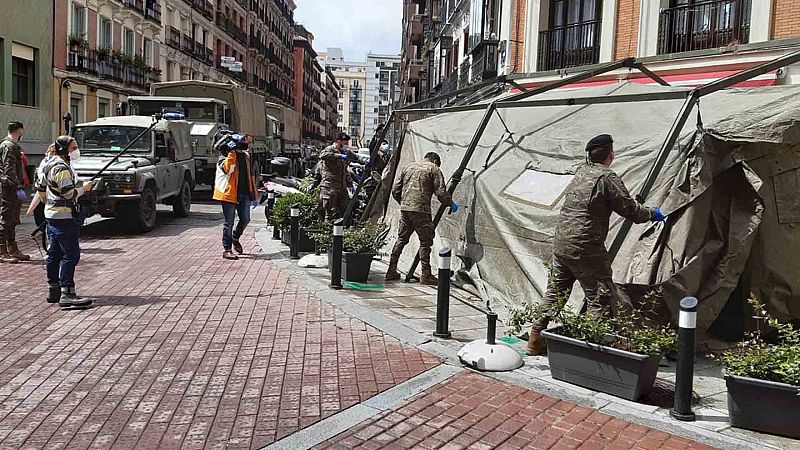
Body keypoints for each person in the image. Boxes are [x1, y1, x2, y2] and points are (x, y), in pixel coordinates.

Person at [526, 134, 666, 356]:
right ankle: (587, 347)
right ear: (611, 155)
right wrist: (651, 213)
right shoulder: (607, 177)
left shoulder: (581, 172)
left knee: (556, 291)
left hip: (562, 242)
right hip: (586, 246)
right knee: (599, 295)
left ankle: (535, 339)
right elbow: (630, 210)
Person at [37, 136, 94, 307]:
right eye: (73, 148)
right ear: (64, 150)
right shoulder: (61, 168)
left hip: (52, 215)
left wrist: (49, 204)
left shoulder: (48, 164)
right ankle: (67, 292)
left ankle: (53, 289)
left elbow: (41, 190)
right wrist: (84, 189)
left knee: (54, 254)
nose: (76, 150)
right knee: (71, 254)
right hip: (63, 217)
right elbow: (69, 194)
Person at [386, 152, 458, 285]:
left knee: (401, 239)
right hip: (421, 210)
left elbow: (395, 190)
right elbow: (441, 193)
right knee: (425, 241)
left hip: (405, 209)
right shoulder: (433, 168)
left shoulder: (408, 167)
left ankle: (391, 269)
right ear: (435, 161)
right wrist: (450, 203)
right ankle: (426, 274)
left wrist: (405, 203)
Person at [213, 133, 257, 260]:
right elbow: (228, 169)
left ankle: (235, 237)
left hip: (244, 193)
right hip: (229, 194)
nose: (249, 145)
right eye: (247, 142)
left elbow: (249, 175)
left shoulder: (246, 156)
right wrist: (232, 152)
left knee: (245, 219)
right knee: (229, 222)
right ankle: (227, 250)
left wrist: (253, 193)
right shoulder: (224, 157)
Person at [0, 121, 30, 264]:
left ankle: (12, 249)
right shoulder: (8, 146)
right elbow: (9, 168)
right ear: (19, 130)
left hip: (11, 187)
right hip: (8, 188)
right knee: (5, 219)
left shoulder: (11, 145)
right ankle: (2, 251)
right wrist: (17, 186)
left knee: (12, 219)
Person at [317, 132, 354, 223]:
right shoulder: (330, 149)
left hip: (342, 187)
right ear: (339, 141)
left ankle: (345, 229)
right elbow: (323, 155)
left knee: (345, 211)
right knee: (329, 213)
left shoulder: (345, 152)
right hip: (330, 187)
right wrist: (338, 156)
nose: (346, 145)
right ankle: (327, 230)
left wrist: (365, 161)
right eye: (345, 143)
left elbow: (355, 158)